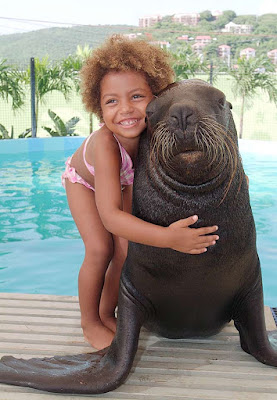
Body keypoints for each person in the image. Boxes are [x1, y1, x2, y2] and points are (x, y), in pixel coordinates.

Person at [62, 35, 219, 350]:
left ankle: (108, 312)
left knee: (125, 250)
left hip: (123, 179)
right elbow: (110, 217)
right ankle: (90, 322)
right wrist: (169, 238)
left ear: (157, 97)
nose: (125, 110)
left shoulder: (152, 134)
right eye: (111, 101)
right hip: (85, 181)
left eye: (136, 96)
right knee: (100, 249)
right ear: (98, 104)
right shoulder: (107, 144)